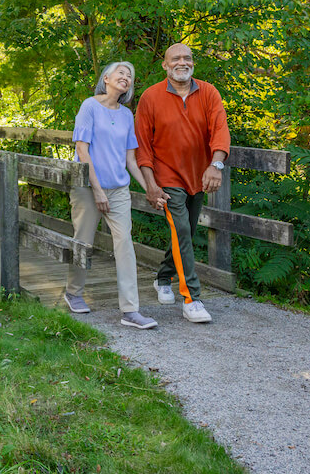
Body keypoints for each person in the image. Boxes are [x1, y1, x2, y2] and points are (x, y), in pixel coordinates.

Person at [135, 44, 230, 323]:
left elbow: (220, 130)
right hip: (167, 178)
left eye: (187, 58)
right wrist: (150, 185)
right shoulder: (150, 97)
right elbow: (142, 146)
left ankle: (163, 277)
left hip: (199, 176)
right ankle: (192, 298)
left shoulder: (209, 92)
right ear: (165, 65)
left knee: (183, 232)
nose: (182, 62)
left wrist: (216, 164)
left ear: (193, 63)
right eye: (175, 58)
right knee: (182, 229)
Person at [64, 61, 158, 330]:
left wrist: (148, 187)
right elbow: (83, 151)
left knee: (124, 243)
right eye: (121, 73)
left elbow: (130, 159)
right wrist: (96, 189)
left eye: (130, 75)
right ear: (106, 78)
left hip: (118, 189)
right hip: (86, 187)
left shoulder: (127, 115)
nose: (126, 77)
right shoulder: (89, 106)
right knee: (83, 240)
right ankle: (73, 292)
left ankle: (130, 310)